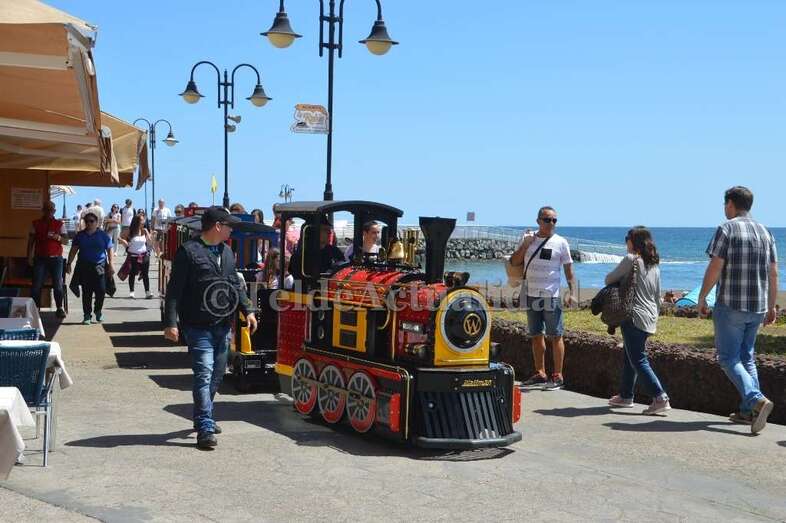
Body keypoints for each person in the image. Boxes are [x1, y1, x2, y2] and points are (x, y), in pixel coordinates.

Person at [163, 207, 258, 449]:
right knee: (203, 374)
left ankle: (203, 415)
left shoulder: (227, 252)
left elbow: (235, 285)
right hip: (197, 326)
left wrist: (248, 310)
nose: (231, 230)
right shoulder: (188, 252)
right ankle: (205, 426)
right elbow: (174, 291)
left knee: (216, 375)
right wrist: (171, 323)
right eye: (229, 225)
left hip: (222, 325)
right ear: (217, 226)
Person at [698, 186, 778, 434]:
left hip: (731, 304)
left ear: (730, 203)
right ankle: (746, 412)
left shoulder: (727, 227)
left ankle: (756, 400)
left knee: (728, 358)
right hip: (757, 307)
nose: (724, 209)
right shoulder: (766, 232)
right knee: (747, 357)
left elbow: (716, 266)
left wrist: (702, 296)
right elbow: (773, 272)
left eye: (725, 204)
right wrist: (772, 305)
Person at [510, 206, 577, 391]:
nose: (551, 223)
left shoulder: (561, 242)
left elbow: (569, 270)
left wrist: (572, 292)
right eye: (547, 220)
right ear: (538, 221)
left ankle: (558, 376)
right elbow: (515, 261)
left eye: (555, 220)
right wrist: (525, 245)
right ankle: (540, 373)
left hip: (551, 295)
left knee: (556, 335)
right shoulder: (527, 239)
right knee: (535, 334)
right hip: (531, 294)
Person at [606, 227, 670, 415]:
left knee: (638, 359)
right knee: (630, 356)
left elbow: (609, 279)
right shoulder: (655, 265)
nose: (626, 242)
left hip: (633, 315)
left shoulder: (631, 260)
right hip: (650, 317)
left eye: (627, 238)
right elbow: (658, 296)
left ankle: (660, 397)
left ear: (633, 242)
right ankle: (626, 396)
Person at [66, 210, 114, 324]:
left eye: (92, 221)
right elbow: (73, 251)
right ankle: (87, 315)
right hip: (84, 265)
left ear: (97, 222)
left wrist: (111, 264)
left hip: (100, 265)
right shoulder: (80, 235)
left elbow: (110, 249)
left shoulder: (103, 235)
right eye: (87, 221)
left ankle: (98, 311)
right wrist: (69, 264)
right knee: (87, 291)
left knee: (101, 290)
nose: (89, 223)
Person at [27, 201, 68, 318]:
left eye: (51, 210)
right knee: (36, 285)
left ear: (54, 211)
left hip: (56, 259)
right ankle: (34, 309)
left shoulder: (60, 224)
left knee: (58, 285)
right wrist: (29, 256)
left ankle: (59, 308)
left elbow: (66, 241)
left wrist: (58, 237)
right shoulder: (35, 223)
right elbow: (30, 242)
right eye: (46, 209)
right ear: (43, 211)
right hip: (40, 259)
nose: (48, 212)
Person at [119, 213, 153, 299]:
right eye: (142, 220)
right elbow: (122, 240)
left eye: (143, 220)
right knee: (132, 274)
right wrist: (124, 243)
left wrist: (152, 236)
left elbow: (149, 242)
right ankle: (132, 292)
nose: (143, 222)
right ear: (137, 221)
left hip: (144, 255)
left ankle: (147, 292)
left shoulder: (145, 230)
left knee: (145, 274)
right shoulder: (129, 231)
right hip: (133, 256)